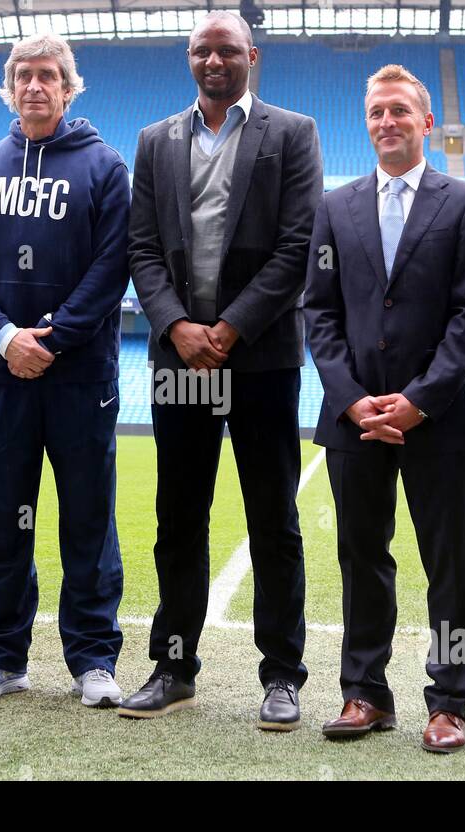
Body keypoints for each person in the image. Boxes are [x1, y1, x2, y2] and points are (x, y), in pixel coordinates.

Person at [123, 11, 323, 730]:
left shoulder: (292, 133)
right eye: (202, 50)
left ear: (251, 56)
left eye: (227, 50)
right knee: (178, 520)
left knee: (273, 518)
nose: (214, 60)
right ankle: (174, 667)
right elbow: (141, 247)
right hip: (179, 357)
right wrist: (178, 326)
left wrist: (230, 328)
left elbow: (297, 246)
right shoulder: (155, 141)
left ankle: (283, 676)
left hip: (261, 357)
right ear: (190, 58)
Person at [303, 65, 465, 748]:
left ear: (427, 124)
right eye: (377, 112)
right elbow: (318, 313)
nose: (387, 122)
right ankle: (365, 693)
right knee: (361, 556)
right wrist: (352, 402)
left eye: (400, 113)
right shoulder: (336, 206)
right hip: (353, 422)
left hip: (435, 420)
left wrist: (417, 400)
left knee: (451, 561)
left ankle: (451, 700)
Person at [0, 33, 131, 708]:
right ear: (9, 87)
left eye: (47, 76)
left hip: (80, 377)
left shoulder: (105, 167)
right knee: (2, 517)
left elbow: (113, 267)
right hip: (0, 377)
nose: (34, 86)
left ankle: (92, 659)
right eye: (23, 76)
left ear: (68, 87)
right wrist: (2, 337)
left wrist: (51, 338)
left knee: (87, 517)